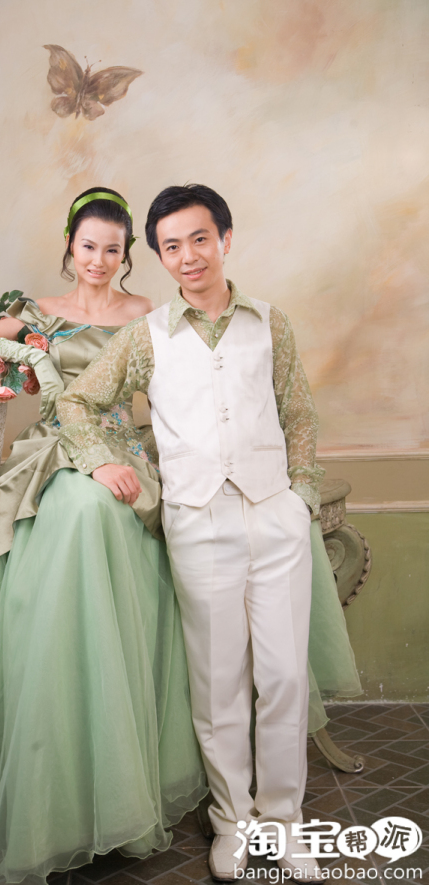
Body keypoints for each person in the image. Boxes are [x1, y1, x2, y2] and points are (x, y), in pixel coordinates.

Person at [0, 187, 208, 885]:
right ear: (71, 245)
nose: (98, 259)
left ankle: (108, 788)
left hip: (117, 451)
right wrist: (29, 353)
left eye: (112, 249)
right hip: (48, 450)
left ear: (126, 254)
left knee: (87, 515)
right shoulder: (39, 311)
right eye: (88, 245)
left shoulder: (148, 313)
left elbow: (186, 386)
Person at [57, 184, 361, 883]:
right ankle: (233, 823)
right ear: (159, 257)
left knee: (284, 678)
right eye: (171, 246)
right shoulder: (147, 335)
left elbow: (299, 413)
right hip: (198, 523)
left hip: (274, 516)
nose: (188, 255)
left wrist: (301, 496)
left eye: (199, 238)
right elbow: (77, 400)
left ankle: (285, 824)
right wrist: (100, 459)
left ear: (224, 238)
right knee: (220, 685)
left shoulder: (271, 323)